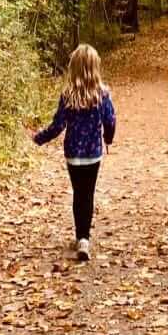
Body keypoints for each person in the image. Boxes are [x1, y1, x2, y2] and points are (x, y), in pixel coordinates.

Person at [31, 44, 116, 262]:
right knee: (88, 193)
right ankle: (84, 239)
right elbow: (110, 121)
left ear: (74, 68)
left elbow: (58, 125)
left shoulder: (68, 95)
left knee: (79, 193)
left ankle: (81, 236)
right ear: (95, 67)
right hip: (93, 153)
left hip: (73, 154)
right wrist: (108, 138)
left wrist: (39, 138)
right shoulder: (103, 94)